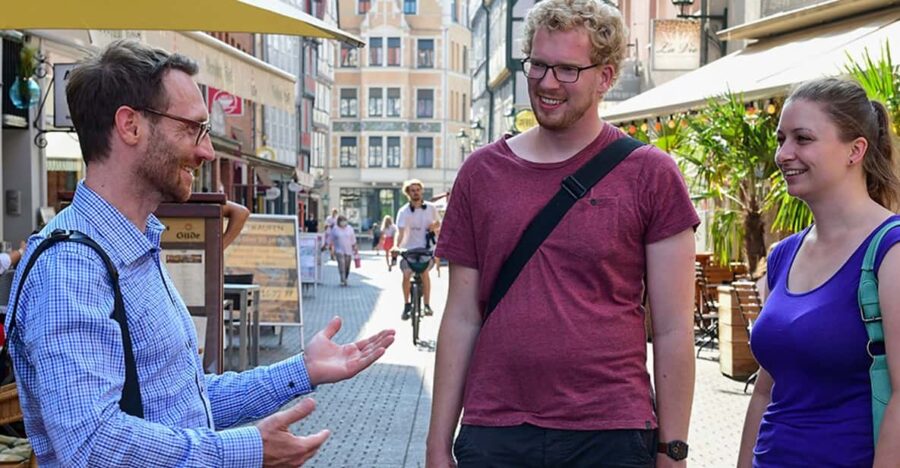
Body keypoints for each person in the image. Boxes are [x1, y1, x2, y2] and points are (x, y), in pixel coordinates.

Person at [4, 39, 396, 467]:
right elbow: (92, 445)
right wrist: (246, 450)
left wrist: (301, 370)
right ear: (130, 126)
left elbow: (182, 401)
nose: (207, 150)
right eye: (192, 128)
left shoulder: (132, 246)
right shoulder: (72, 266)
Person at [426, 1, 698, 466]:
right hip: (496, 430)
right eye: (538, 65)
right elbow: (461, 316)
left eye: (568, 69)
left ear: (606, 76)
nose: (548, 83)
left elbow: (673, 329)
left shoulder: (651, 173)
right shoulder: (481, 172)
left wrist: (673, 450)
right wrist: (436, 443)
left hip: (611, 431)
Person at [737, 78, 900, 467]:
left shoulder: (890, 251)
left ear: (855, 150)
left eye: (803, 138)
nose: (783, 154)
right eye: (781, 139)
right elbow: (765, 389)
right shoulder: (784, 255)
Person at [394, 179, 440, 321]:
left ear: (422, 191)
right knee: (406, 274)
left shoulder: (431, 208)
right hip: (409, 250)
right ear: (408, 193)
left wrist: (434, 226)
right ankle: (407, 304)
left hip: (427, 250)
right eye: (412, 190)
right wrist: (396, 246)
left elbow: (439, 223)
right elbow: (400, 232)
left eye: (418, 190)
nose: (416, 193)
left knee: (425, 272)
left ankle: (426, 305)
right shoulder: (404, 211)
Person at [331, 215, 358, 287]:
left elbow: (353, 239)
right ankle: (342, 279)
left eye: (344, 220)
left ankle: (346, 277)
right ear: (338, 222)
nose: (343, 222)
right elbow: (331, 239)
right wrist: (330, 248)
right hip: (339, 250)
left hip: (348, 250)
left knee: (347, 266)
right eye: (341, 221)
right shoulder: (335, 229)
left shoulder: (350, 228)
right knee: (341, 264)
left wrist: (355, 247)